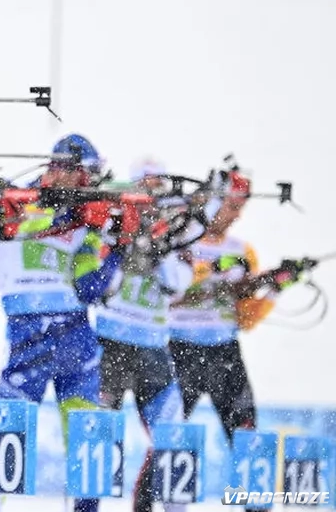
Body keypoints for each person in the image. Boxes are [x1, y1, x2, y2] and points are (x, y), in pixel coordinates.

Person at [0, 134, 124, 512]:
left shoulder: (85, 212)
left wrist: (115, 240)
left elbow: (90, 287)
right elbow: (14, 228)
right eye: (85, 174)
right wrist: (71, 216)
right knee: (5, 436)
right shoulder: (20, 201)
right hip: (29, 332)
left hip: (74, 333)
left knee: (88, 440)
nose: (88, 182)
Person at [168, 169, 308, 512]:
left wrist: (274, 288)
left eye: (240, 208)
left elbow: (245, 319)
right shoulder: (179, 240)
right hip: (179, 350)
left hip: (224, 354)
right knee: (167, 438)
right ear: (213, 203)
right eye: (232, 207)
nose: (236, 216)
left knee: (248, 437)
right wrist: (214, 272)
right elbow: (170, 295)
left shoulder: (242, 250)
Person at [93, 160, 194, 512]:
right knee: (96, 439)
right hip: (109, 344)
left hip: (152, 348)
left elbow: (177, 285)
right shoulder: (113, 223)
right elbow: (99, 280)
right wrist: (126, 239)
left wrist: (160, 246)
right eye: (144, 191)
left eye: (157, 192)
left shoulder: (177, 233)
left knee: (174, 438)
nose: (151, 201)